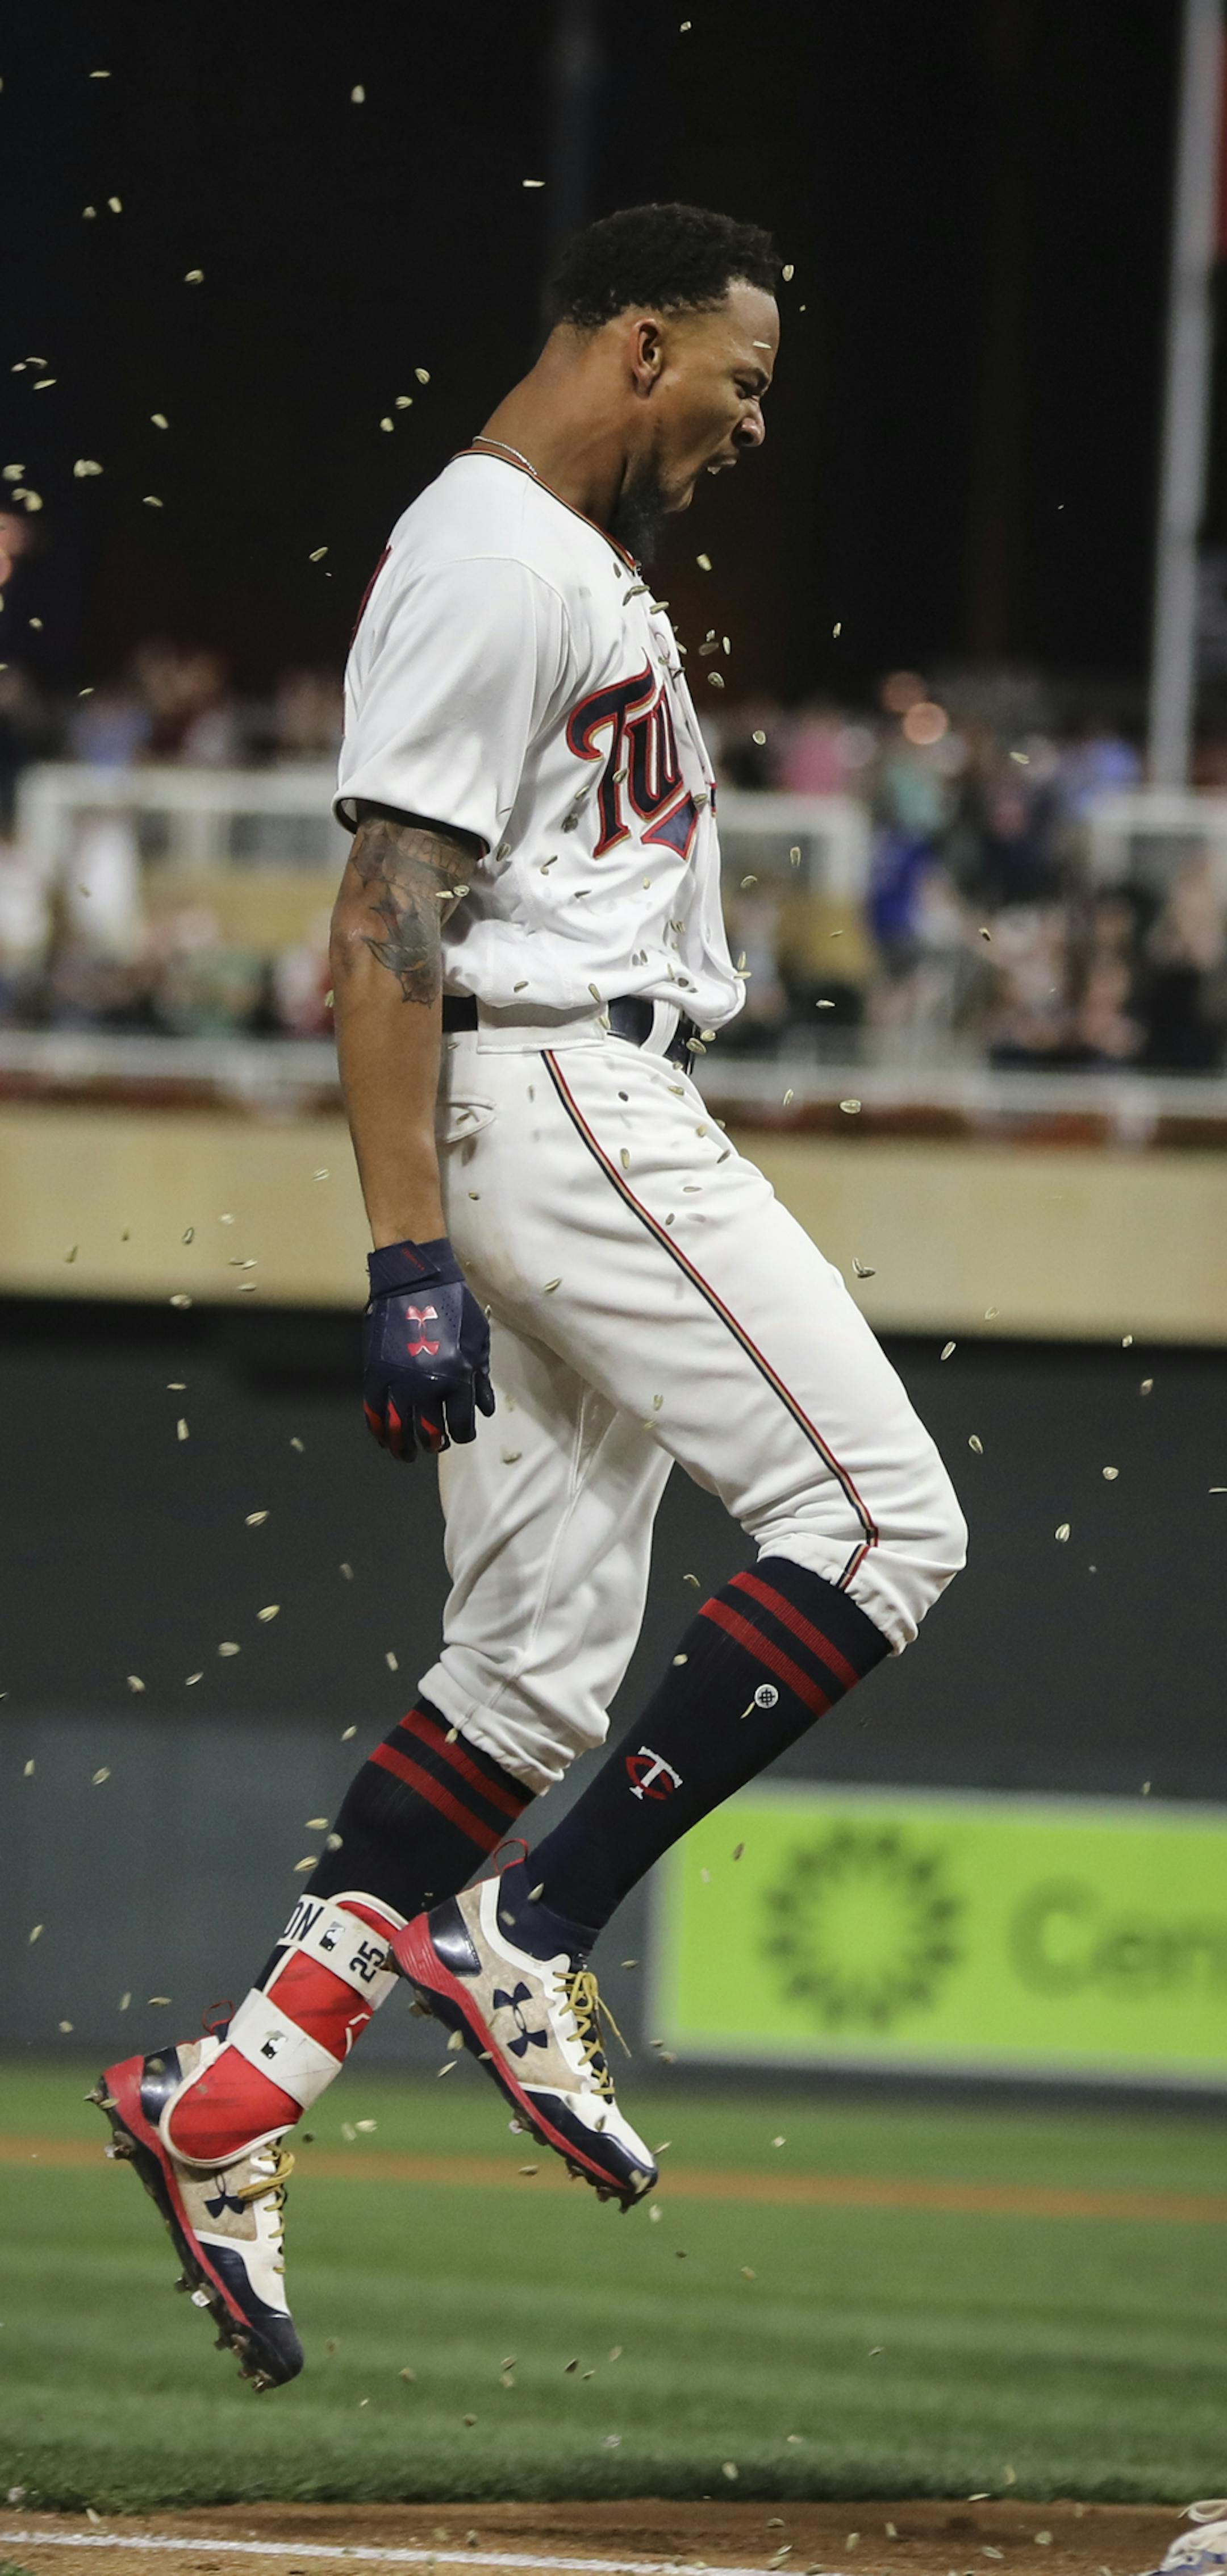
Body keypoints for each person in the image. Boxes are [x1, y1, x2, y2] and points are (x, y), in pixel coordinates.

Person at [93, 202, 967, 2391]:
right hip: (566, 1090)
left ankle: (231, 2101)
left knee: (527, 1676)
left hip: (564, 1091)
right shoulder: (497, 547)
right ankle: (538, 1934)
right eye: (743, 379)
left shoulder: (569, 559)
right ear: (641, 346)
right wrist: (402, 1252)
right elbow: (386, 912)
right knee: (882, 1524)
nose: (757, 423)